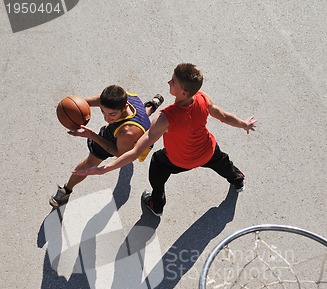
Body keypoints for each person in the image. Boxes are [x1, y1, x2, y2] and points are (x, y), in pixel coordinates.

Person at [73, 63, 257, 216]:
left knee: (157, 164)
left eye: (173, 81)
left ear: (183, 92)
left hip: (180, 160)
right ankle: (237, 179)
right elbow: (223, 116)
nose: (169, 81)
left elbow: (136, 151)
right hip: (208, 150)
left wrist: (105, 169)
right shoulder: (202, 98)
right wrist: (243, 124)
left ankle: (156, 204)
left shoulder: (165, 118)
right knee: (223, 162)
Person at [49, 86, 164, 208]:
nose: (106, 118)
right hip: (136, 118)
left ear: (124, 107)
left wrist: (92, 135)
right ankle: (152, 105)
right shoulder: (120, 96)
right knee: (143, 115)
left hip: (125, 139)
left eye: (112, 114)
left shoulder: (126, 132)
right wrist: (75, 105)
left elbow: (119, 154)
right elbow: (99, 100)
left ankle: (66, 191)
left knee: (89, 164)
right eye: (103, 111)